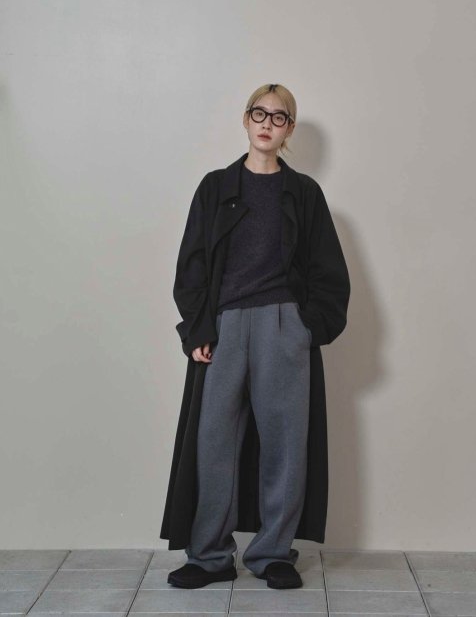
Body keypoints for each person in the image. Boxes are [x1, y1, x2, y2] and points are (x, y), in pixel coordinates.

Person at [165, 83, 350, 590]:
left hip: (282, 325)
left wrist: (306, 328)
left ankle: (272, 554)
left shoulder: (304, 193)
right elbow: (192, 265)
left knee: (285, 443)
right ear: (245, 120)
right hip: (224, 327)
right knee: (213, 442)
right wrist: (197, 329)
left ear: (289, 129)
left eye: (279, 116)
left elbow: (328, 270)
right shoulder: (215, 187)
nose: (268, 123)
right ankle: (209, 557)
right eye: (259, 113)